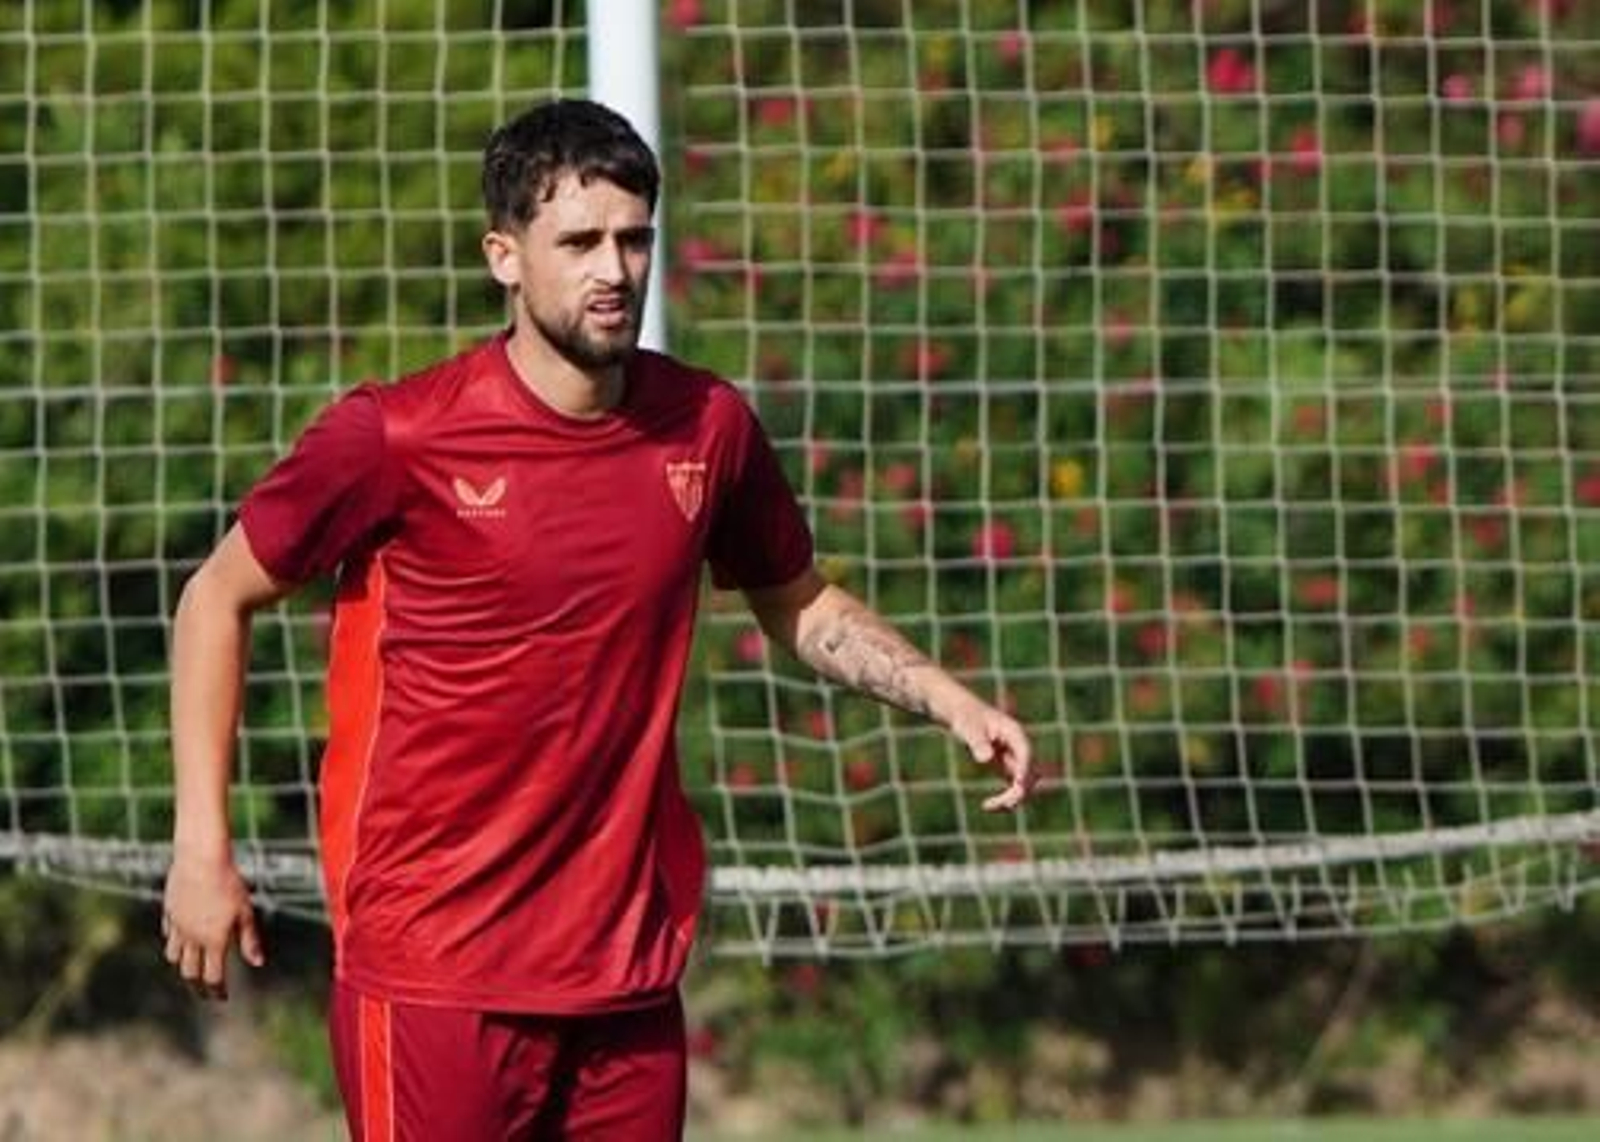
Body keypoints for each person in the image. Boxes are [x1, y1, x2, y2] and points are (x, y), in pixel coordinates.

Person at [161, 98, 1036, 1141]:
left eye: (633, 239)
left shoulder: (706, 427)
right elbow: (217, 596)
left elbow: (796, 598)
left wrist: (945, 695)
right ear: (504, 255)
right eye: (578, 242)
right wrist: (201, 846)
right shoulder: (396, 435)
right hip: (439, 967)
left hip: (625, 973)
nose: (613, 271)